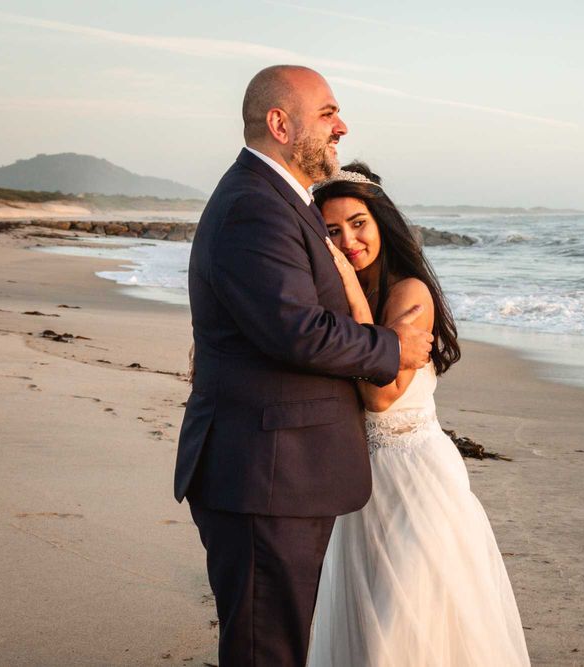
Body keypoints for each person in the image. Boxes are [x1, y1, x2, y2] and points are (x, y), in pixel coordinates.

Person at [173, 66, 434, 667]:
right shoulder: (253, 208)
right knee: (267, 650)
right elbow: (296, 331)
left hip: (277, 470)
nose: (341, 126)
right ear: (280, 123)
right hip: (266, 474)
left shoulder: (275, 202)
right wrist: (392, 349)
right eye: (328, 114)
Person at [307, 162, 531, 666]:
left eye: (358, 223)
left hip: (416, 477)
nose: (349, 241)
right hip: (359, 483)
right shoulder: (336, 299)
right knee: (366, 627)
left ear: (381, 221)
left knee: (408, 621)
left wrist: (348, 287)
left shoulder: (409, 292)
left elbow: (381, 397)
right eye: (333, 231)